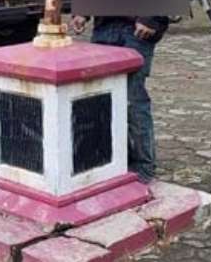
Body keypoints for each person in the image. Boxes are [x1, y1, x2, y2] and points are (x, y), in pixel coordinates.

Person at [71, 14, 169, 184]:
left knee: (132, 100)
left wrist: (153, 18)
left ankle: (143, 167)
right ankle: (111, 161)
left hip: (138, 30)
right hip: (104, 27)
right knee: (101, 99)